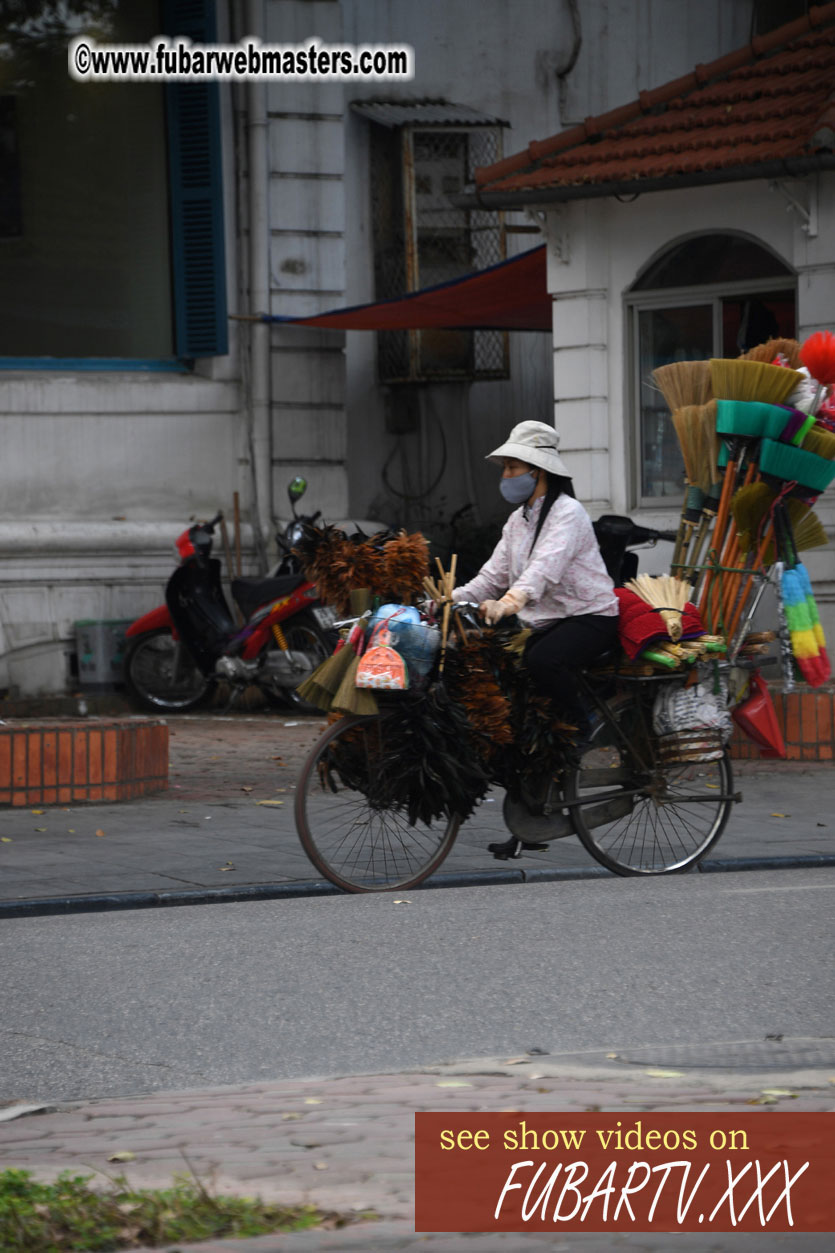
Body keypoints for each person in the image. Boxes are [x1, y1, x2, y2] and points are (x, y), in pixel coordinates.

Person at [451, 420, 619, 854]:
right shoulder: (518, 521)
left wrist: (510, 602)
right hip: (547, 622)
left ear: (539, 471)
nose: (506, 477)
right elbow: (490, 576)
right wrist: (447, 599)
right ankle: (530, 817)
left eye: (513, 468)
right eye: (505, 468)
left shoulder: (568, 513)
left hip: (591, 616)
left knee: (543, 663)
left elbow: (544, 569)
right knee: (515, 702)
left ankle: (582, 732)